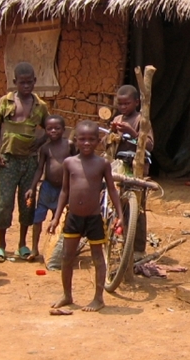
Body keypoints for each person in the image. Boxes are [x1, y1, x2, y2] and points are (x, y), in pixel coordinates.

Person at [48, 120, 122, 312]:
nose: (87, 143)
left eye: (91, 139)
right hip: (73, 217)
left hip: (93, 218)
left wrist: (120, 213)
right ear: (76, 141)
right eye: (82, 139)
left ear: (98, 141)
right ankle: (67, 294)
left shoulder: (102, 164)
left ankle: (98, 298)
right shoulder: (69, 163)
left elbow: (112, 190)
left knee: (98, 257)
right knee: (66, 256)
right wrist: (56, 218)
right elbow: (64, 191)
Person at [0, 61, 49, 263]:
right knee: (4, 203)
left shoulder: (40, 106)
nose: (26, 86)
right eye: (22, 82)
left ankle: (22, 244)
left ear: (35, 81)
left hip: (30, 162)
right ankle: (0, 244)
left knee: (27, 204)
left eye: (29, 82)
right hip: (8, 160)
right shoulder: (5, 102)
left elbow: (51, 128)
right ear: (14, 82)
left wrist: (40, 142)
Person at [109, 84, 154, 259]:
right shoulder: (118, 118)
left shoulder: (142, 120)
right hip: (119, 168)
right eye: (120, 104)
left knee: (138, 209)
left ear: (136, 102)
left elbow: (149, 145)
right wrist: (112, 132)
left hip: (137, 170)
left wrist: (133, 133)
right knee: (119, 206)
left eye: (126, 103)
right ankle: (121, 242)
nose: (123, 107)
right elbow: (108, 141)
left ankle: (138, 249)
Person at [25, 115, 75, 262]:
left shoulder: (69, 145)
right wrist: (32, 188)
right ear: (45, 131)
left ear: (64, 130)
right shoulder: (46, 148)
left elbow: (77, 164)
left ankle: (55, 251)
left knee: (59, 220)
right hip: (47, 187)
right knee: (38, 219)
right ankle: (34, 248)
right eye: (49, 129)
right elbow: (40, 168)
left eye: (57, 128)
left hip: (64, 189)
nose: (53, 131)